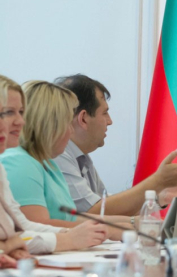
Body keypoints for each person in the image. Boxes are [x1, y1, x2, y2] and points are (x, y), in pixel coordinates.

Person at [53, 74, 177, 215]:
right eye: (105, 113)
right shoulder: (58, 154)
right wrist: (158, 181)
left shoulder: (81, 156)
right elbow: (93, 211)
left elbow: (107, 206)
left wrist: (161, 197)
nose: (110, 121)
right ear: (83, 119)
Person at [0, 81, 126, 239]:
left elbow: (71, 219)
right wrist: (112, 230)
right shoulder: (20, 161)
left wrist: (129, 223)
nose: (71, 130)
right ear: (49, 125)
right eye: (67, 123)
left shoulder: (49, 163)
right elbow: (35, 226)